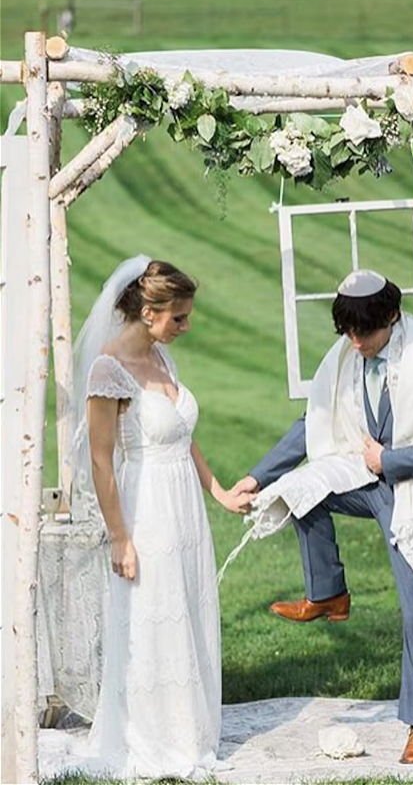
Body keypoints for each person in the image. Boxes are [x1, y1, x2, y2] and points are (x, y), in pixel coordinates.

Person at [230, 269, 413, 765]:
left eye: (365, 331)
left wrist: (391, 461)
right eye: (348, 331)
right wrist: (257, 477)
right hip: (364, 481)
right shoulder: (345, 356)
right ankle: (328, 593)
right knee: (300, 489)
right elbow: (312, 423)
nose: (356, 341)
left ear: (392, 315)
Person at [69, 255, 250, 779]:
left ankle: (189, 729)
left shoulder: (161, 357)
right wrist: (120, 537)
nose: (186, 327)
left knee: (188, 609)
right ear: (149, 312)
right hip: (145, 508)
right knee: (153, 619)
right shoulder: (109, 368)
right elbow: (102, 460)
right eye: (179, 318)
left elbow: (181, 435)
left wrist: (217, 490)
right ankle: (153, 738)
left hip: (184, 510)